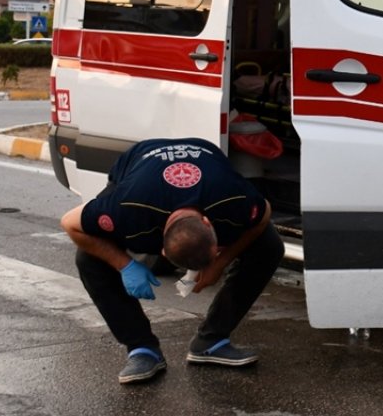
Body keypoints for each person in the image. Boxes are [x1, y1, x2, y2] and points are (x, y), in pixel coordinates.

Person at [60, 138, 283, 384]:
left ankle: (211, 341)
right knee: (89, 257)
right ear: (161, 251)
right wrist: (124, 264)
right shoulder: (126, 207)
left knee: (268, 246)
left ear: (210, 224)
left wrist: (220, 264)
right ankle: (142, 349)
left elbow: (264, 214)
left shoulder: (232, 199)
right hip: (140, 163)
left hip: (205, 156)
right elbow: (70, 223)